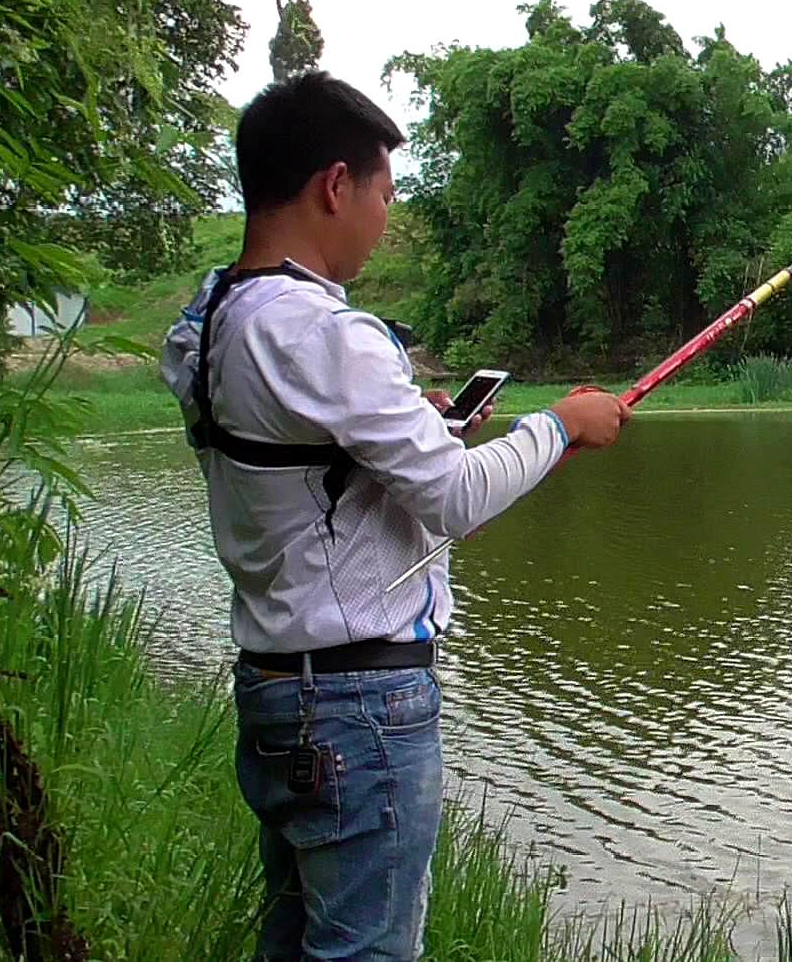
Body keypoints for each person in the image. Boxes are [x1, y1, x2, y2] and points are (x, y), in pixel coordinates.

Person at [160, 71, 629, 961]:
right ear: (335, 186)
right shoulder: (326, 332)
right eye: (383, 191)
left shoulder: (212, 318)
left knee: (296, 942)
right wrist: (560, 427)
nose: (386, 215)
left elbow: (306, 469)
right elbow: (455, 496)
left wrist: (424, 430)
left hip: (276, 688)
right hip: (358, 706)